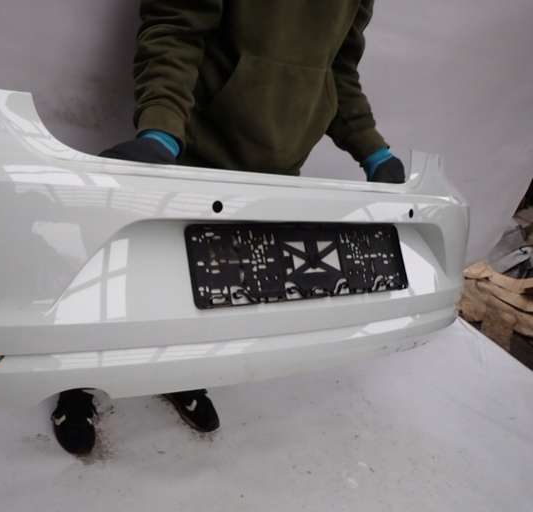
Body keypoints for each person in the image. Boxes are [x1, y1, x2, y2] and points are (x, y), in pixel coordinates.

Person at [52, 0, 405, 455]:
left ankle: (179, 372)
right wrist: (162, 128)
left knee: (216, 288)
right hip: (194, 144)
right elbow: (176, 27)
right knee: (131, 278)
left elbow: (337, 68)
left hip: (275, 170)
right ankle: (77, 385)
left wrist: (372, 149)